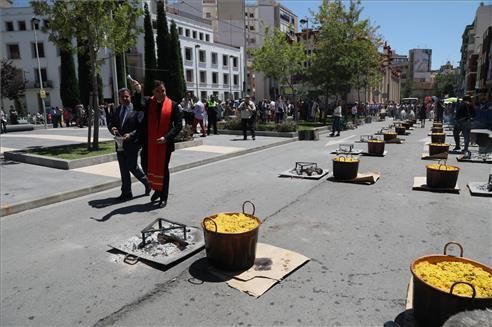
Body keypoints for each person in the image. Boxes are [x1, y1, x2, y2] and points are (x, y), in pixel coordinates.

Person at [133, 80, 183, 208]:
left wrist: (166, 138)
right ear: (153, 93)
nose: (161, 93)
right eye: (157, 91)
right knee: (146, 165)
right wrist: (139, 91)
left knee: (162, 170)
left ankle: (163, 196)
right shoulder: (150, 102)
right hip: (149, 143)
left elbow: (178, 126)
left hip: (164, 144)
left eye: (163, 91)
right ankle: (157, 189)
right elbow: (138, 105)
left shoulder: (173, 105)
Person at [109, 88, 151, 202]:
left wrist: (131, 135)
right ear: (120, 99)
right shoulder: (117, 110)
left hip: (132, 143)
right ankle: (126, 192)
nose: (125, 99)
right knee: (123, 168)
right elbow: (111, 123)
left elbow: (141, 127)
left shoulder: (136, 110)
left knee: (132, 166)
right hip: (119, 144)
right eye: (122, 97)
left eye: (127, 96)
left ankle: (147, 183)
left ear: (130, 97)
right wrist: (112, 129)